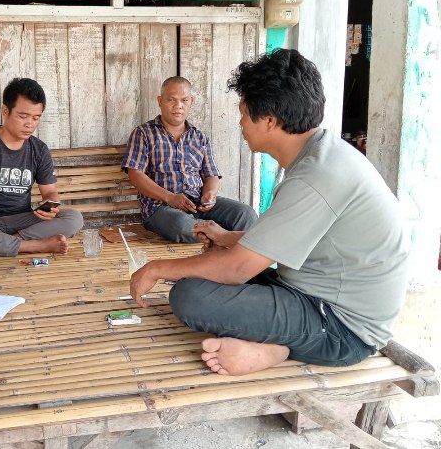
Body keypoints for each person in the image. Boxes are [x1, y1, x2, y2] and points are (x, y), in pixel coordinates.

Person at [130, 49, 409, 375]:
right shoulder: (320, 156)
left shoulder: (315, 177)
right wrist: (227, 237)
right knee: (203, 273)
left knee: (190, 295)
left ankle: (278, 348)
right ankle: (275, 341)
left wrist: (157, 268)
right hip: (309, 292)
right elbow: (288, 240)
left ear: (270, 120)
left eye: (244, 114)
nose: (240, 123)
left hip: (341, 328)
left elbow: (237, 269)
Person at [0, 78, 84, 256]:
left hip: (25, 220)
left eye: (36, 118)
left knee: (74, 218)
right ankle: (35, 245)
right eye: (23, 116)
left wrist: (50, 205)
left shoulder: (39, 149)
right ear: (5, 111)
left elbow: (50, 191)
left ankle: (9, 243)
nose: (30, 124)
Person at [122, 76, 257, 243]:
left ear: (191, 102)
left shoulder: (199, 138)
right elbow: (135, 174)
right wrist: (170, 197)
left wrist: (209, 194)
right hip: (161, 208)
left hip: (197, 204)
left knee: (246, 214)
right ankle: (221, 239)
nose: (178, 105)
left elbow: (211, 175)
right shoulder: (143, 133)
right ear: (160, 101)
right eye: (171, 99)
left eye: (184, 100)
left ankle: (225, 243)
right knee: (183, 226)